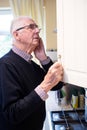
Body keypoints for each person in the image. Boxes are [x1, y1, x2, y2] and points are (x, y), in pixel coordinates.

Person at [0, 16, 63, 130]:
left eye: (37, 27)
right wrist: (44, 86)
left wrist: (43, 58)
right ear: (16, 35)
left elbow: (57, 85)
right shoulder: (5, 65)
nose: (37, 30)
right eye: (31, 27)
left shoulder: (30, 64)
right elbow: (11, 113)